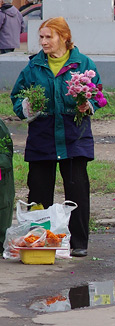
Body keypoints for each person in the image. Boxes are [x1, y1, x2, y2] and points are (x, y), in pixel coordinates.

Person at [10, 17, 103, 257]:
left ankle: (79, 243)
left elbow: (97, 92)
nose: (43, 42)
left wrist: (88, 104)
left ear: (63, 37)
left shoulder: (82, 63)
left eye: (48, 37)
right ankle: (40, 241)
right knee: (39, 192)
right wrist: (27, 106)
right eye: (41, 37)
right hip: (43, 137)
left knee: (77, 190)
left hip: (74, 136)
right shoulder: (34, 67)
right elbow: (17, 97)